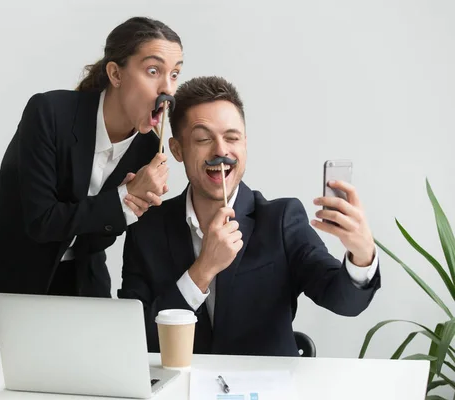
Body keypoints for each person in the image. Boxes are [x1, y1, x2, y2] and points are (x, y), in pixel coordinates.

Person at [117, 76, 381, 356]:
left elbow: (344, 302)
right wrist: (202, 271)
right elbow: (135, 337)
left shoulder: (281, 220)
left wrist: (361, 255)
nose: (221, 151)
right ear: (177, 149)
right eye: (204, 139)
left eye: (232, 138)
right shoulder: (146, 229)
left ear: (245, 144)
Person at [0, 17, 184, 347]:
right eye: (153, 71)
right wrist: (124, 200)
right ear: (116, 73)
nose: (167, 87)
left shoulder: (148, 146)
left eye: (175, 73)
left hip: (83, 273)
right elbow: (41, 222)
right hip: (15, 274)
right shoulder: (49, 113)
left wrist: (131, 208)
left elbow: (98, 237)